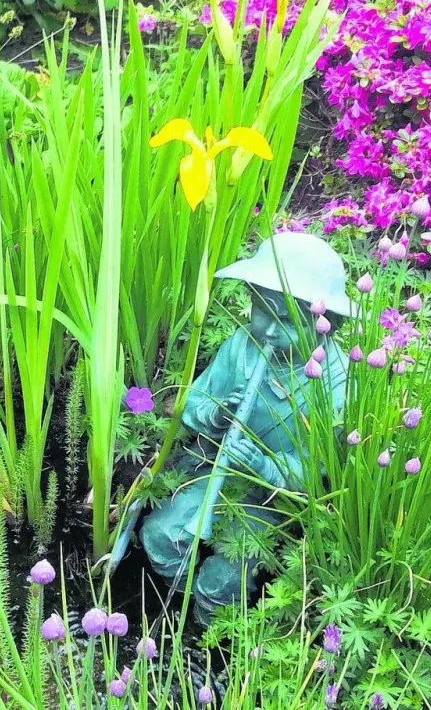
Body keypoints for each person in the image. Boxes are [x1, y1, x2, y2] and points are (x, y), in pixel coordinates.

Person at [140, 232, 353, 618]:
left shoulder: (336, 384)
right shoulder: (243, 345)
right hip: (211, 470)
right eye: (261, 311)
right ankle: (176, 608)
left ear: (327, 324)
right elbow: (196, 402)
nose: (269, 331)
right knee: (159, 537)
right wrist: (217, 415)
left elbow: (317, 470)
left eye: (286, 320)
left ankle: (209, 634)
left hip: (271, 501)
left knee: (221, 581)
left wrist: (263, 465)